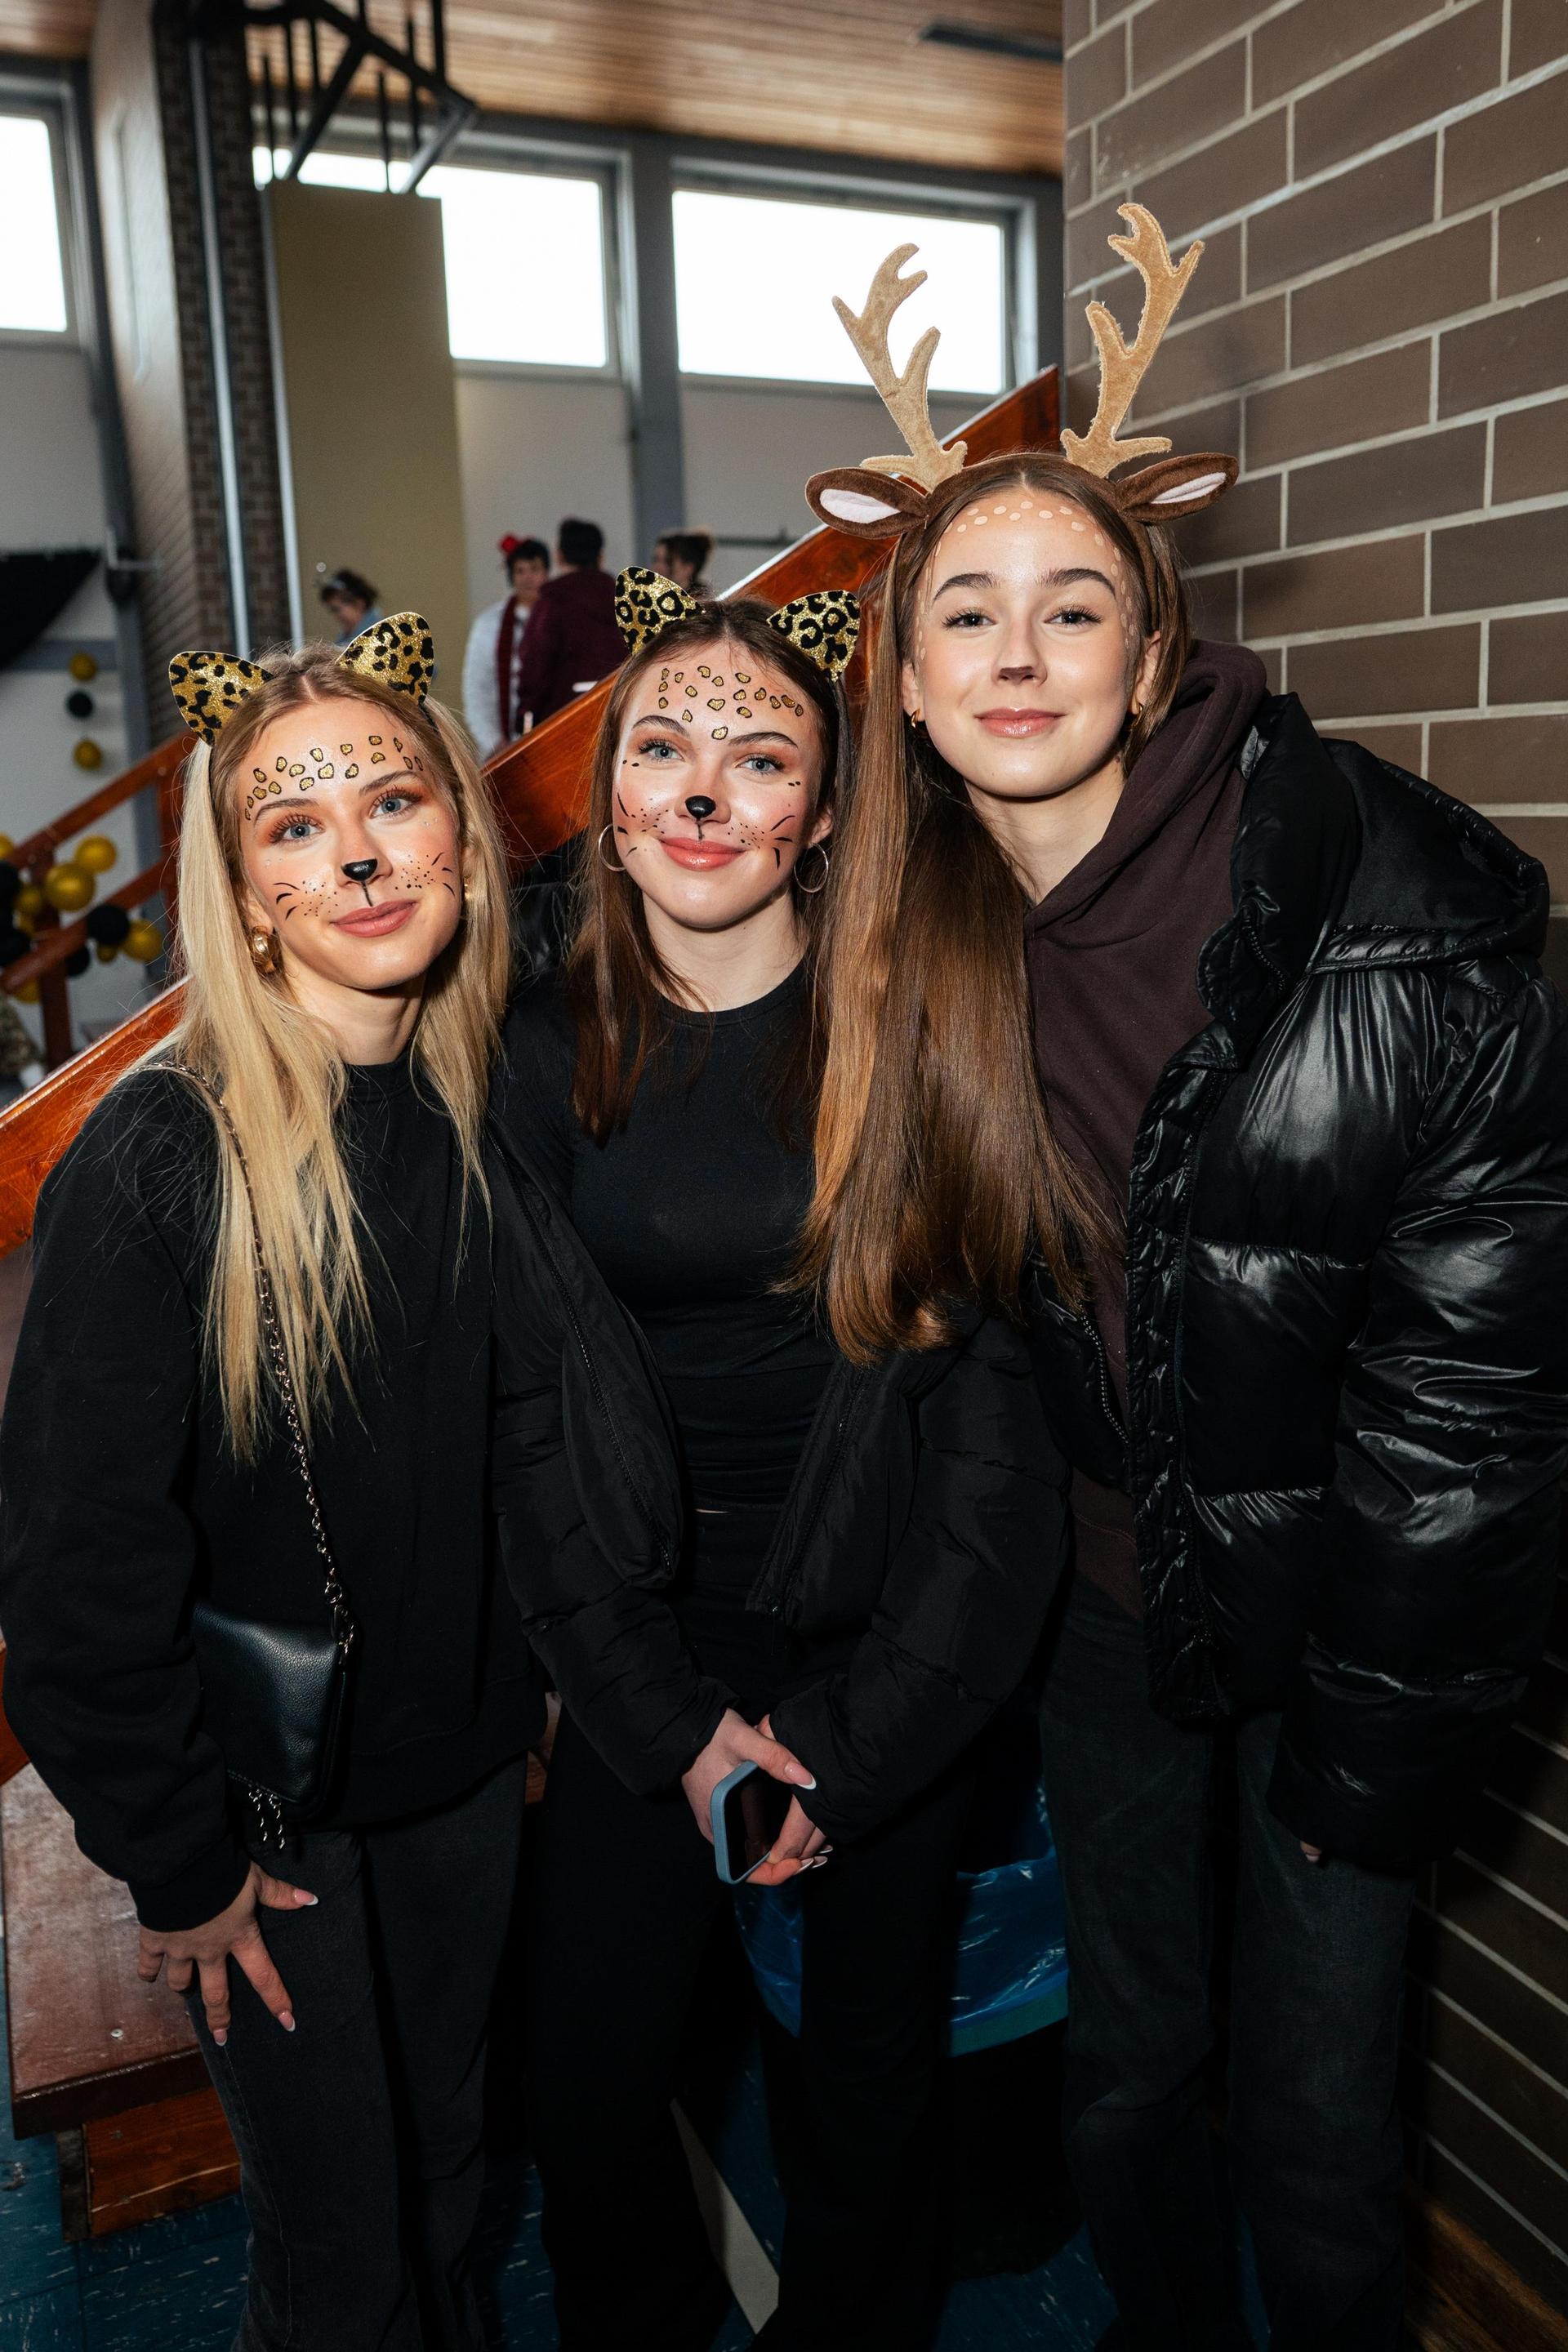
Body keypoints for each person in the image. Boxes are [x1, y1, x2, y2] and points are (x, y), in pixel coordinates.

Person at [799, 217, 1568, 2350]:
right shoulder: (920, 944)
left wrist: (1372, 1779)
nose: (1021, 651)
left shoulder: (1389, 912)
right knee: (1137, 2079)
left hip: (1345, 1647)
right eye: (968, 609)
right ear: (908, 667)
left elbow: (1479, 1418)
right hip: (1109, 1630)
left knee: (1320, 2152)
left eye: (1077, 605)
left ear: (1155, 658)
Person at [489, 565, 1071, 2352]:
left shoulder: (917, 1041)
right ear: (609, 796)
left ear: (820, 809)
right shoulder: (525, 1045)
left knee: (870, 2100)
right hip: (645, 1648)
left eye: (759, 757)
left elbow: (994, 1457)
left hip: (874, 1641)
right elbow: (521, 1422)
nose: (704, 790)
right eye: (661, 745)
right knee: (585, 2082)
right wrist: (667, 1728)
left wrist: (855, 1742)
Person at [0, 613, 543, 2352]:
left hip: (464, 1779)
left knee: (454, 2180)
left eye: (395, 800)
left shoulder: (483, 1110)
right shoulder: (162, 1155)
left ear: (462, 829)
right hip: (270, 1835)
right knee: (342, 2255)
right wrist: (178, 1857)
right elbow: (78, 1568)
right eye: (295, 826)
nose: (362, 851)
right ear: (239, 897)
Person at [510, 515, 624, 729]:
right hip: (616, 715)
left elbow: (535, 669)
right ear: (601, 558)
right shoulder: (623, 601)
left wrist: (525, 716)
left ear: (559, 556)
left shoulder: (552, 603)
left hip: (562, 721)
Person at [461, 532, 550, 761]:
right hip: (502, 746)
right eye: (520, 571)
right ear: (511, 576)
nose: (528, 578)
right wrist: (494, 741)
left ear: (547, 573)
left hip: (551, 737)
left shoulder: (559, 620)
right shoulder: (489, 624)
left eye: (534, 569)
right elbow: (476, 690)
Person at [318, 567, 381, 644]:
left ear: (360, 603)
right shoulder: (346, 636)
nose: (336, 616)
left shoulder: (376, 636)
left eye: (337, 609)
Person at [652, 527, 715, 596]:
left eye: (668, 561)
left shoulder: (699, 604)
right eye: (655, 560)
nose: (657, 567)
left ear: (688, 568)